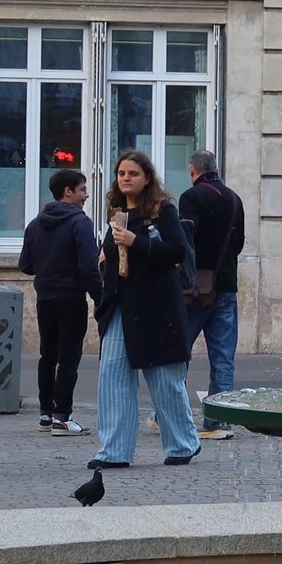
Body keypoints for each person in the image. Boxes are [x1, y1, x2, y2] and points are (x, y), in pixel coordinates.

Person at [76, 151, 201, 504]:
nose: (125, 178)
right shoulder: (116, 213)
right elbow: (109, 253)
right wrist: (106, 256)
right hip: (120, 305)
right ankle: (114, 449)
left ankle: (183, 443)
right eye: (120, 173)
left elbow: (177, 251)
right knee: (112, 373)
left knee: (164, 379)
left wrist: (137, 243)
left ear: (147, 177)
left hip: (157, 305)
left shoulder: (163, 210)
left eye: (132, 173)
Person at [19, 166, 106, 436]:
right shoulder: (80, 222)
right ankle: (63, 416)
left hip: (45, 297)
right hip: (71, 297)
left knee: (48, 355)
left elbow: (25, 265)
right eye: (82, 190)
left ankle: (46, 413)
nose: (86, 196)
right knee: (69, 357)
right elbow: (90, 266)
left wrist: (48, 267)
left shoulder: (36, 223)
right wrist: (100, 298)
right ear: (67, 192)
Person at [180, 150, 245, 437]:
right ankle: (217, 421)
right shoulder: (234, 199)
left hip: (195, 288)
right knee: (223, 357)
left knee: (178, 353)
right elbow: (239, 244)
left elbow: (185, 241)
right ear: (215, 168)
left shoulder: (190, 198)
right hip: (226, 286)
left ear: (193, 171)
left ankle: (167, 413)